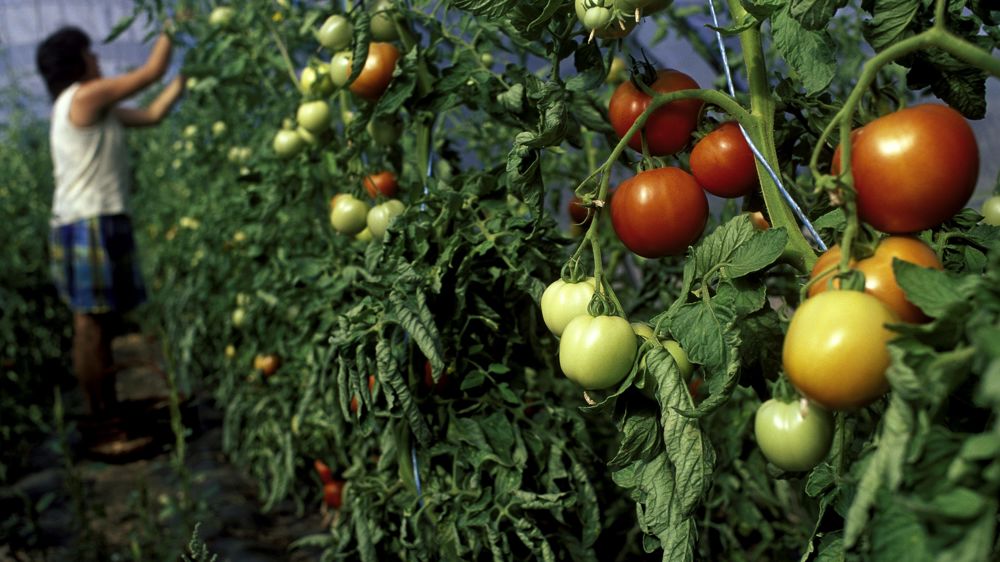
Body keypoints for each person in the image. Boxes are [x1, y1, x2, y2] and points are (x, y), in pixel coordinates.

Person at [36, 25, 185, 455]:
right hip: (87, 221)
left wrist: (189, 75)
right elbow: (150, 72)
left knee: (99, 323)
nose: (99, 60)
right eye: (92, 53)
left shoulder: (94, 107)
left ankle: (108, 412)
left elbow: (154, 113)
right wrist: (173, 27)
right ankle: (101, 419)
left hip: (98, 219)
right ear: (79, 61)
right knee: (91, 323)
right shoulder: (83, 97)